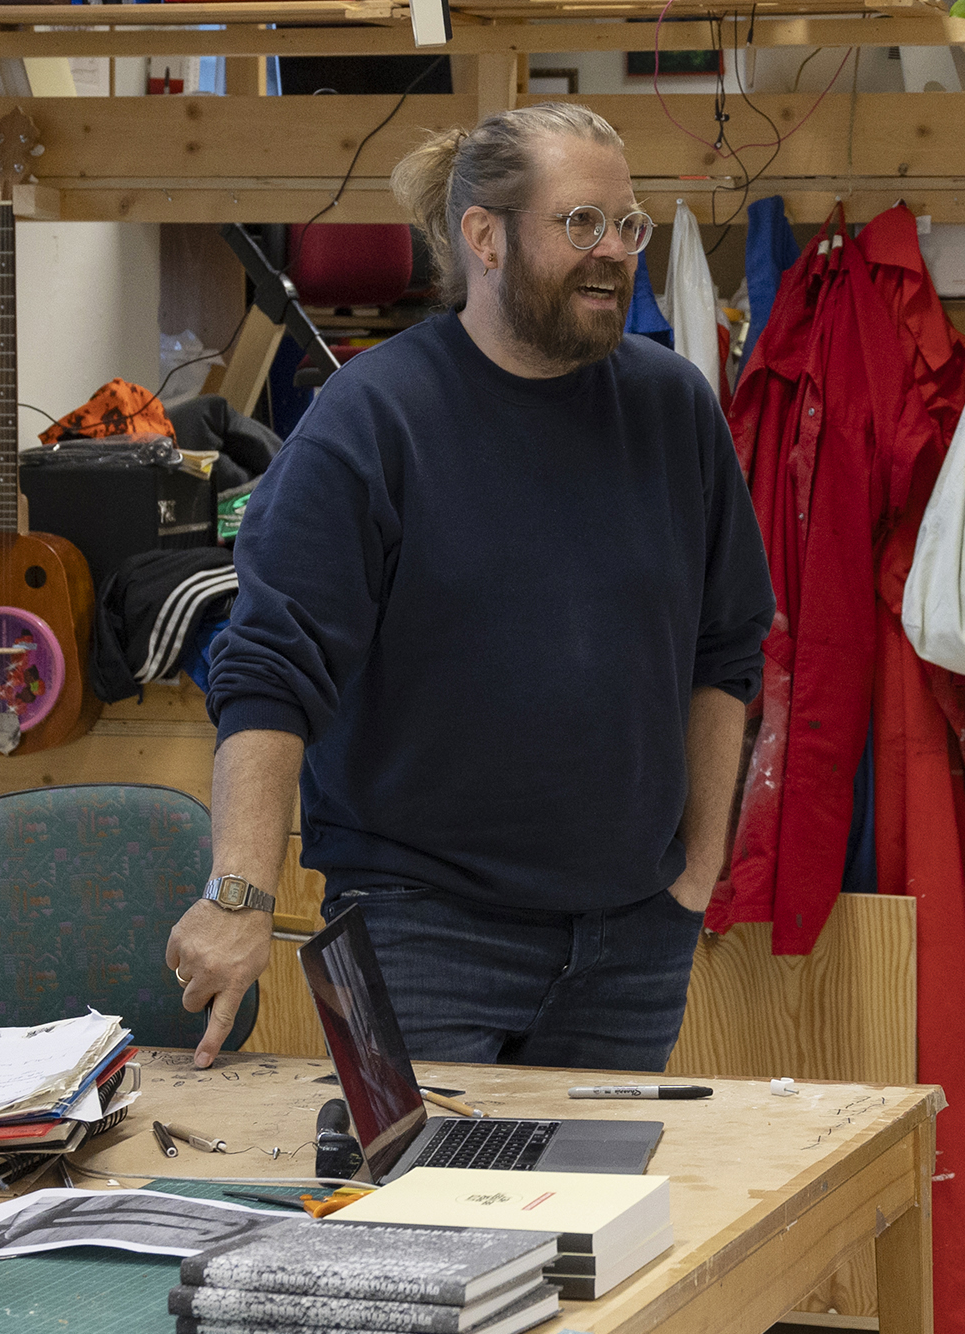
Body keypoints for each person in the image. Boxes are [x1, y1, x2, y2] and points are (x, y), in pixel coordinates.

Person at [169, 104, 776, 1073]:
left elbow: (729, 643)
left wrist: (695, 872)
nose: (614, 251)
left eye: (629, 225)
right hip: (413, 934)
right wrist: (240, 893)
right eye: (581, 222)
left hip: (631, 945)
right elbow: (271, 668)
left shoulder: (675, 407)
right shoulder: (371, 418)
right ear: (483, 236)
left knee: (595, 1223)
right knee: (407, 1218)